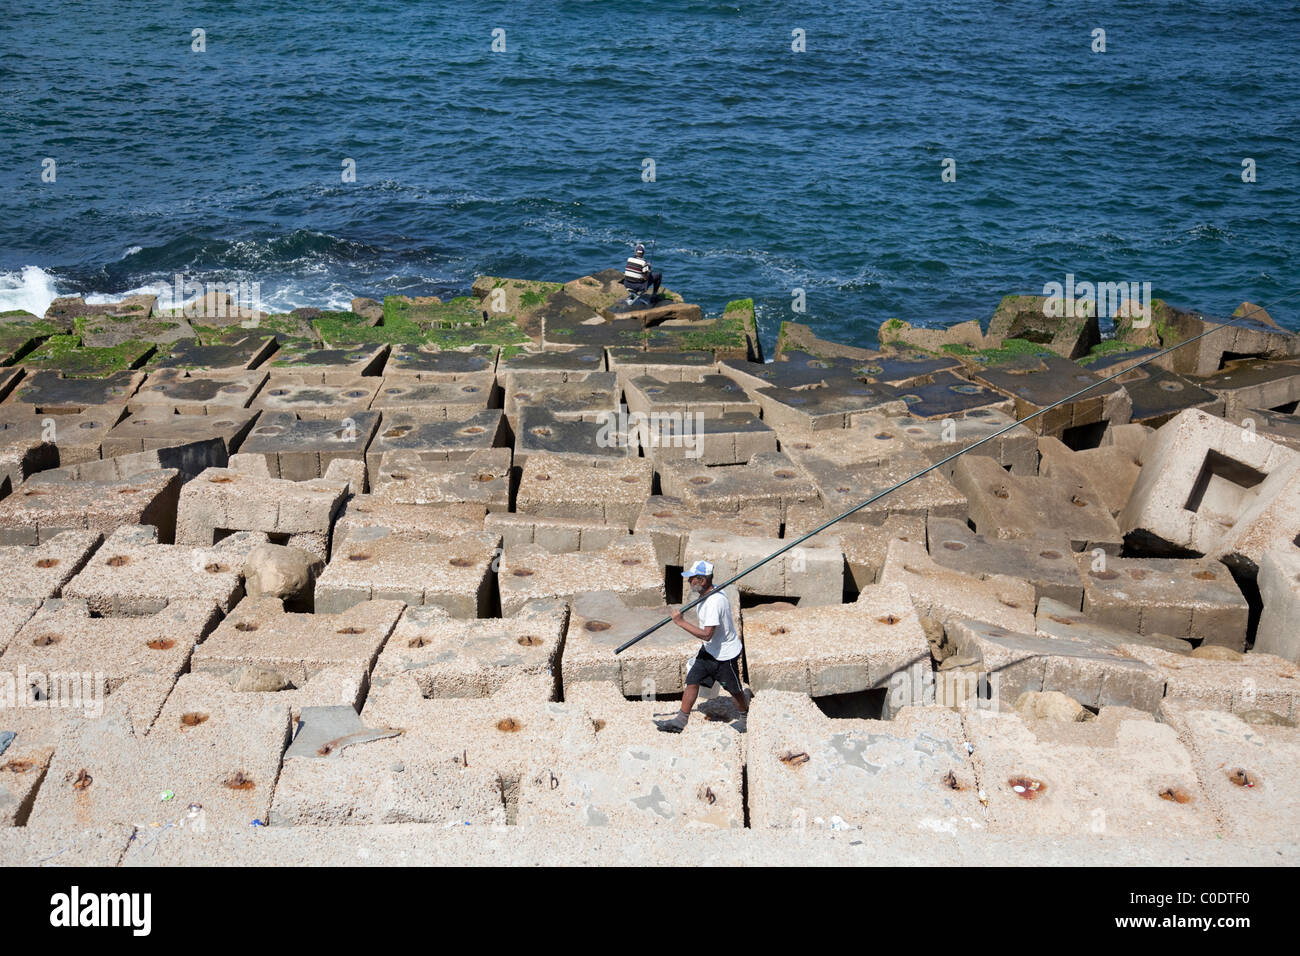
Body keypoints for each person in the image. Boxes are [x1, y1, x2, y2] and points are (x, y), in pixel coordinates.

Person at [657, 559, 748, 733]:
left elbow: (707, 634)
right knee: (692, 680)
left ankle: (744, 717)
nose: (688, 582)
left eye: (692, 579)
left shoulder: (715, 602)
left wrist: (680, 622)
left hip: (724, 655)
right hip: (709, 650)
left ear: (703, 581)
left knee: (734, 690)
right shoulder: (706, 594)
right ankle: (680, 720)